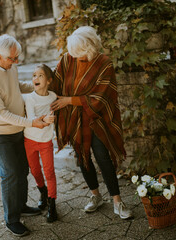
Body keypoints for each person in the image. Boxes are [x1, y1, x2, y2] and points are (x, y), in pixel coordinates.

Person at [50, 26, 133, 220]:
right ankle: (96, 196)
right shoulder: (67, 59)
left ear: (91, 48)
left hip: (98, 119)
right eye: (74, 54)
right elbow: (56, 83)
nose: (76, 58)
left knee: (103, 157)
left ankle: (117, 201)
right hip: (75, 119)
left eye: (80, 54)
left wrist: (69, 100)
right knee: (82, 158)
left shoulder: (104, 63)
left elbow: (101, 97)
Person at [0, 34, 49, 237]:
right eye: (12, 59)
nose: (16, 62)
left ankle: (21, 205)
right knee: (10, 173)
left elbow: (16, 86)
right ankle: (11, 219)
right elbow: (1, 114)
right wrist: (32, 122)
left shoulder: (9, 65)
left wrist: (39, 85)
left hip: (18, 128)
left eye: (17, 58)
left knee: (23, 168)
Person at [23, 64, 58, 223]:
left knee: (49, 172)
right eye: (34, 75)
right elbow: (31, 118)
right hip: (30, 140)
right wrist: (45, 119)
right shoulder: (30, 98)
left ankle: (52, 203)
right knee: (36, 171)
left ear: (49, 80)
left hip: (45, 141)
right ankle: (42, 192)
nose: (35, 78)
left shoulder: (53, 96)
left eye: (40, 75)